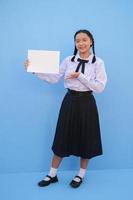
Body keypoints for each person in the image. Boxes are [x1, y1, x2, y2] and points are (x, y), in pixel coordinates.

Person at [24, 29, 107, 188]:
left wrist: (80, 76)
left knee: (86, 138)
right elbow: (54, 77)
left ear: (91, 42)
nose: (81, 43)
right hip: (69, 101)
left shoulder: (98, 62)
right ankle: (52, 174)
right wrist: (34, 69)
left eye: (84, 39)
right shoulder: (69, 60)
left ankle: (80, 175)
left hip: (87, 103)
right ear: (75, 43)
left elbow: (100, 87)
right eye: (77, 40)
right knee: (62, 136)